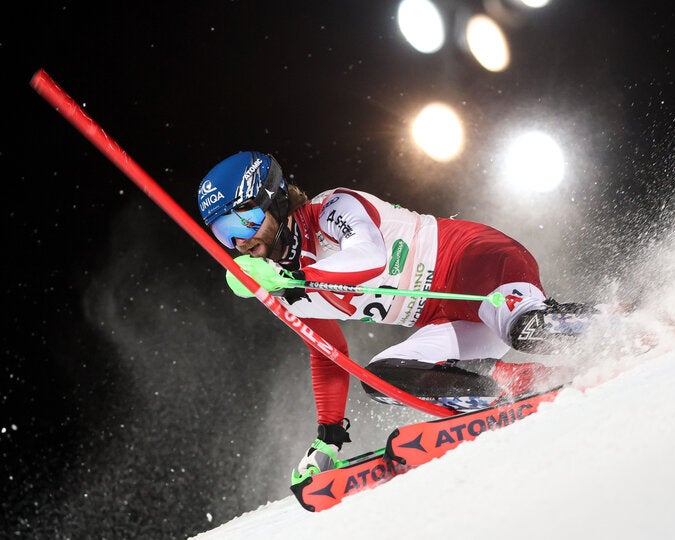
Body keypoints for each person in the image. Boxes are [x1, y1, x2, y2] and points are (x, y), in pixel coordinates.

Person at [196, 150, 593, 481]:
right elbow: (325, 353)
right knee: (383, 379)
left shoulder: (332, 207)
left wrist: (293, 278)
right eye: (223, 232)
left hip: (479, 265)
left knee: (530, 329)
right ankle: (517, 387)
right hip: (449, 319)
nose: (240, 241)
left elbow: (370, 257)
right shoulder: (286, 291)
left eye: (242, 220)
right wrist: (329, 435)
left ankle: (625, 325)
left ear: (275, 200)